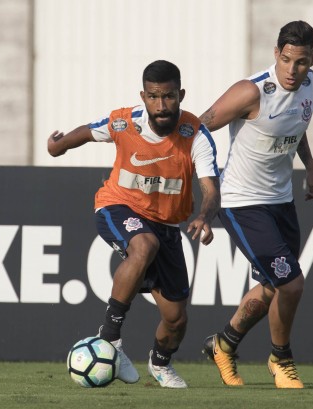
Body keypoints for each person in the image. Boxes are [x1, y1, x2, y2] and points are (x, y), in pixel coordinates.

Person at [48, 60, 221, 388]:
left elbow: (211, 188)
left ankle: (160, 363)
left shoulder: (195, 134)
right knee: (144, 245)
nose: (161, 106)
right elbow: (89, 131)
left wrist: (204, 216)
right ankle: (110, 336)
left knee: (176, 319)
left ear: (181, 95)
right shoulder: (125, 123)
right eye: (154, 97)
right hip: (117, 205)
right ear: (143, 96)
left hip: (167, 226)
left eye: (169, 96)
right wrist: (58, 145)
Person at [199, 20, 313, 389]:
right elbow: (199, 129)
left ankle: (223, 344)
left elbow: (295, 127)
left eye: (300, 62)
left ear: (312, 61)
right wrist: (209, 188)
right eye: (286, 60)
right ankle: (280, 359)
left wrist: (312, 168)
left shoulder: (312, 84)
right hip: (242, 202)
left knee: (273, 286)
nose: (292, 70)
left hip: (281, 201)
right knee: (292, 285)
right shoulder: (251, 92)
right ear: (276, 54)